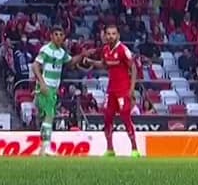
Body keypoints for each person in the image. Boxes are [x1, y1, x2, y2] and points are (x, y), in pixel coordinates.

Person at [31, 26, 91, 156]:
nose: (59, 37)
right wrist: (42, 83)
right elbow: (35, 65)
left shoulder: (61, 53)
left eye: (61, 34)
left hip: (53, 88)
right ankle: (46, 147)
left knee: (46, 117)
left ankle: (42, 148)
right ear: (51, 36)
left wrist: (82, 55)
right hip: (46, 86)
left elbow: (70, 62)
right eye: (56, 34)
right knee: (49, 115)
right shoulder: (46, 50)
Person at [82, 25, 141, 157]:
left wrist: (131, 90)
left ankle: (135, 149)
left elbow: (134, 68)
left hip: (123, 90)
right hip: (111, 90)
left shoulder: (123, 50)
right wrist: (91, 61)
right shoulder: (105, 50)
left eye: (113, 34)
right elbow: (104, 65)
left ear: (118, 35)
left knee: (126, 118)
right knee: (108, 118)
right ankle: (110, 149)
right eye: (108, 34)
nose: (110, 36)